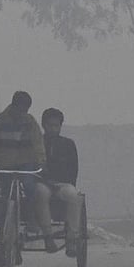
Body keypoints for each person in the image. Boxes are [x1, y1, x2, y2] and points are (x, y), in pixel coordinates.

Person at [0, 91, 55, 254]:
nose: (22, 113)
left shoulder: (30, 122)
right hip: (6, 164)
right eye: (21, 108)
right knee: (5, 197)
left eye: (26, 109)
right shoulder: (1, 120)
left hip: (26, 163)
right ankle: (5, 233)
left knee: (29, 186)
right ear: (14, 105)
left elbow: (38, 143)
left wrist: (41, 161)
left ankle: (31, 217)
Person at [34, 108, 82, 257]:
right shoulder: (36, 144)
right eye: (50, 125)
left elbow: (74, 168)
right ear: (43, 125)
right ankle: (48, 237)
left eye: (56, 125)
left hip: (62, 184)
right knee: (40, 192)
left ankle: (72, 239)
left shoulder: (68, 144)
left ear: (61, 126)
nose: (53, 129)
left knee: (74, 195)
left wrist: (68, 183)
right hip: (43, 183)